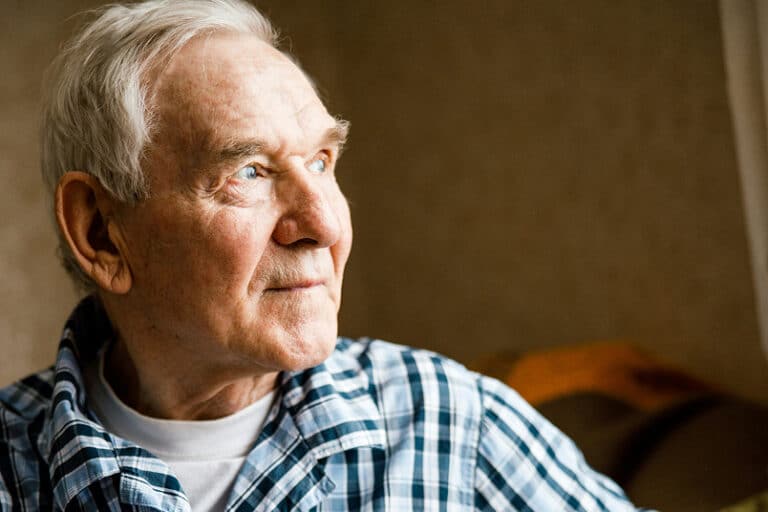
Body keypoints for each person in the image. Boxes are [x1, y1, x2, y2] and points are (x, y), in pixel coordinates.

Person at [0, 1, 649, 510]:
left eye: (320, 161)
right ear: (101, 233)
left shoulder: (456, 424)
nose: (325, 223)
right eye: (249, 172)